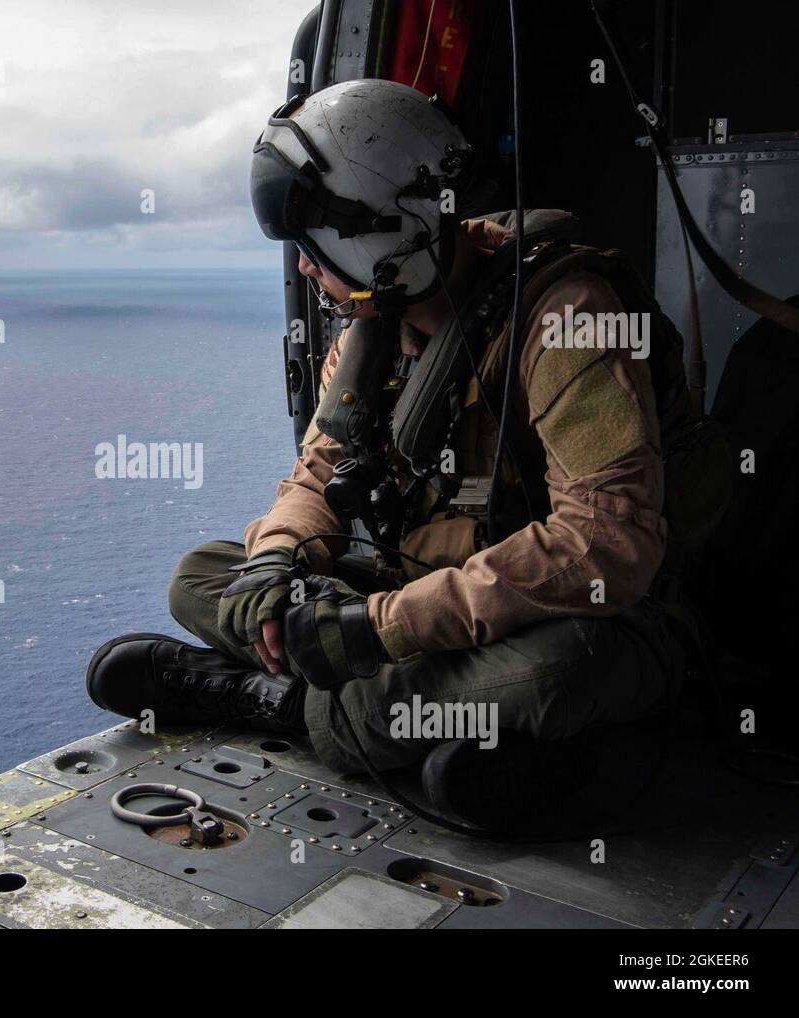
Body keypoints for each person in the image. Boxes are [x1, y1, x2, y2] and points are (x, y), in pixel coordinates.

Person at [85, 80, 722, 830]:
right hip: (419, 583)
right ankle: (412, 721)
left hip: (581, 613)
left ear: (380, 234)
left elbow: (604, 547)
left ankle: (284, 702)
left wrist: (377, 629)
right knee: (203, 574)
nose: (303, 271)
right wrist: (277, 558)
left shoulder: (567, 319)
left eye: (314, 247)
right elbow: (319, 470)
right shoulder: (372, 329)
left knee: (556, 669)